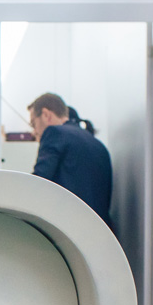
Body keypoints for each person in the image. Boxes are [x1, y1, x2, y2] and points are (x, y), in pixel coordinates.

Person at [28, 92, 113, 228]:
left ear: (46, 115)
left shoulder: (54, 133)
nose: (34, 131)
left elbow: (39, 182)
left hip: (69, 226)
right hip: (99, 229)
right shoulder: (96, 143)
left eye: (33, 124)